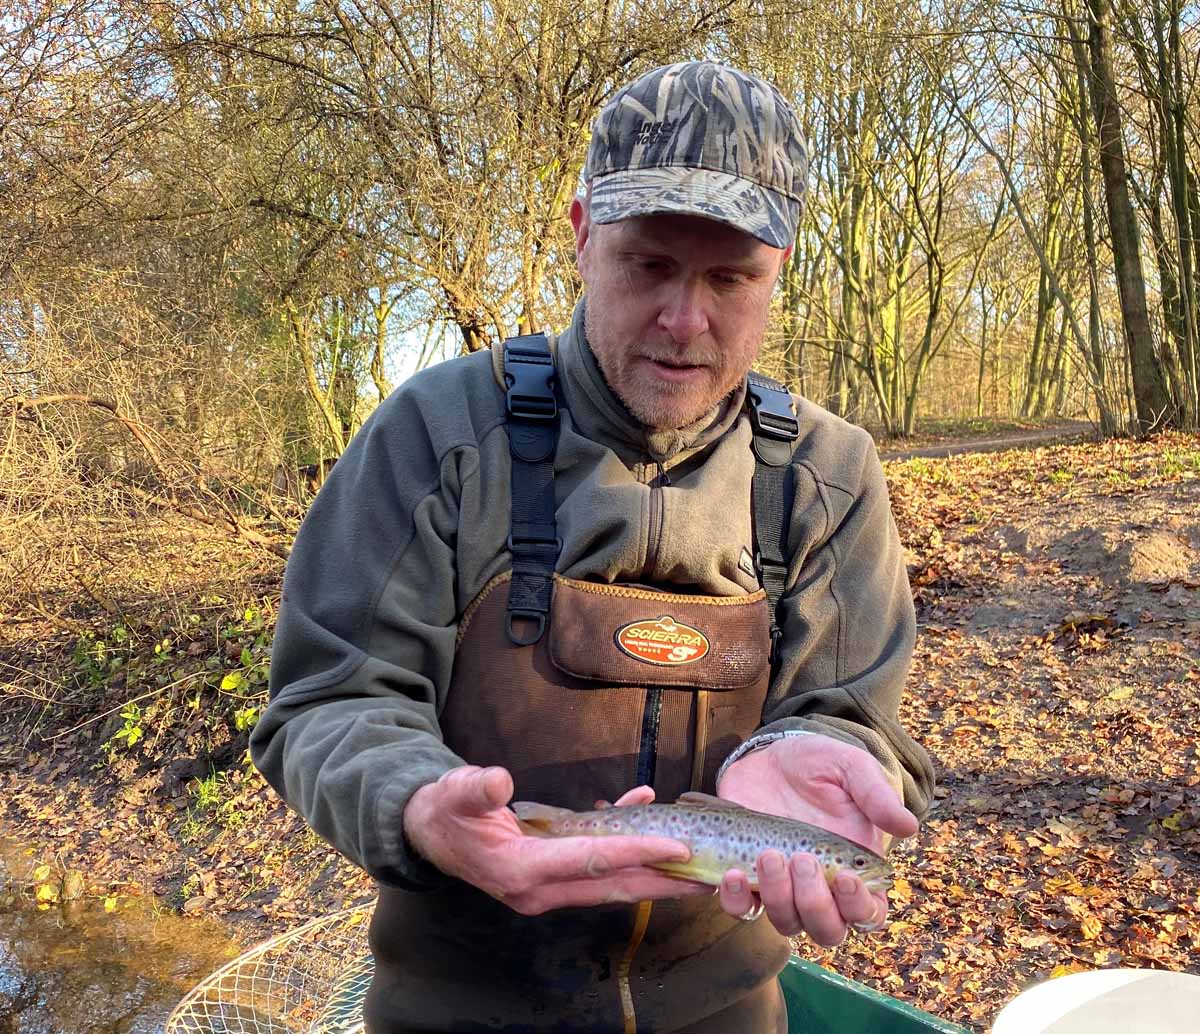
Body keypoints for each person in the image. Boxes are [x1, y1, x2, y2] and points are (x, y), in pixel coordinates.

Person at [251, 60, 934, 1034]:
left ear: (779, 270)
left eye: (731, 276)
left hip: (729, 1009)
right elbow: (327, 700)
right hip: (456, 1011)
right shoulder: (439, 436)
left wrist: (817, 745)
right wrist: (415, 804)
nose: (685, 319)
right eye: (650, 263)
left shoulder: (827, 475)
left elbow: (855, 713)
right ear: (582, 235)